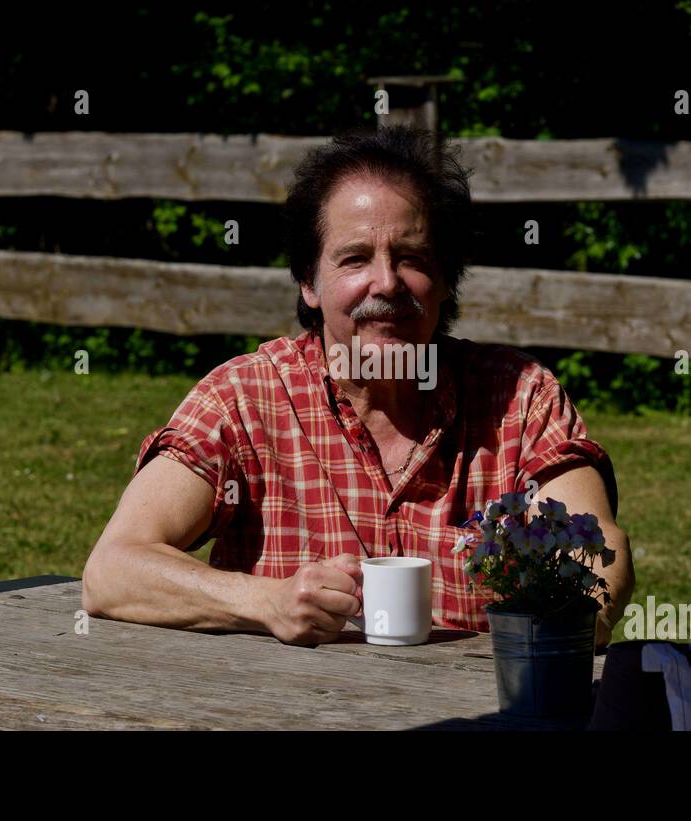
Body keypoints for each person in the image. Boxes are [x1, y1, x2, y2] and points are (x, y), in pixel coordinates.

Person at [81, 126, 633, 647]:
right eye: (355, 259)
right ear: (310, 282)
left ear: (444, 279)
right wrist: (266, 600)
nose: (387, 282)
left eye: (411, 258)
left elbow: (597, 561)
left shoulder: (519, 397)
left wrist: (562, 616)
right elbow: (112, 570)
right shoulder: (245, 398)